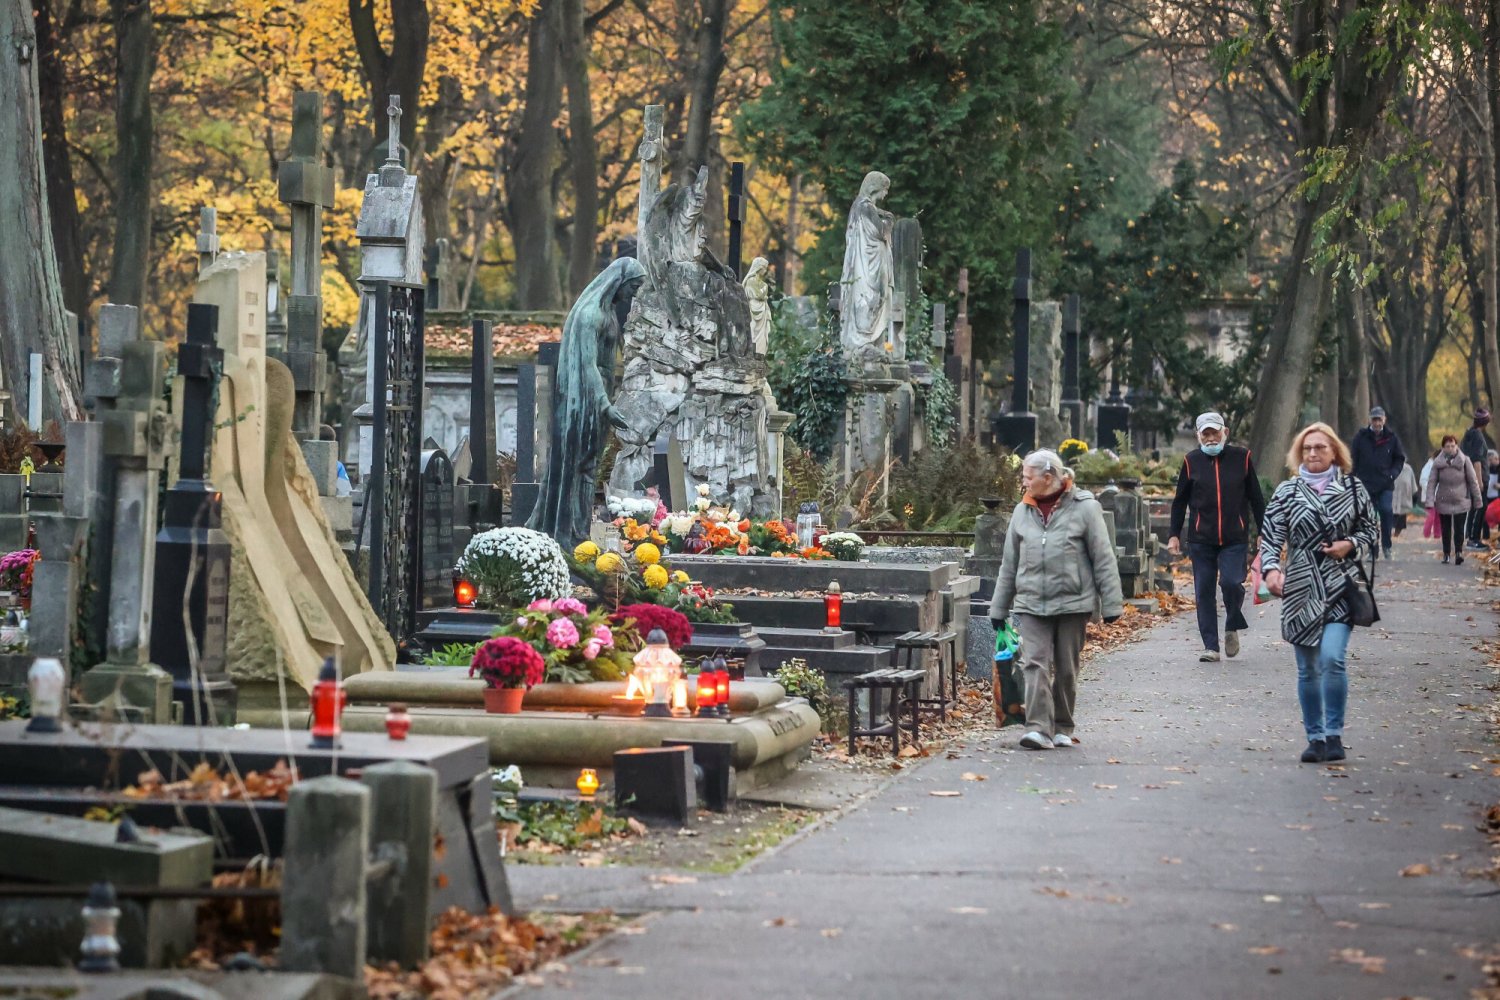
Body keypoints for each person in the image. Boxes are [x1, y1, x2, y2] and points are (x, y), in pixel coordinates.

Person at [1259, 423, 1379, 764]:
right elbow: (1271, 536)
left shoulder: (1354, 489)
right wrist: (1270, 569)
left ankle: (1334, 734)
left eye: (1320, 448)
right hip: (1300, 587)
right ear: (1300, 453)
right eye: (1307, 448)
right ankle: (1314, 738)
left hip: (1341, 585)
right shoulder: (1287, 492)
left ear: (1335, 452)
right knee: (1308, 668)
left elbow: (1372, 530)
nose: (1313, 453)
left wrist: (1350, 544)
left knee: (1332, 658)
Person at [989, 450, 1124, 751]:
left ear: (1047, 478)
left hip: (1073, 603)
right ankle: (1037, 727)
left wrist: (1112, 604)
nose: (1023, 484)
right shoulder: (1022, 512)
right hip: (1031, 601)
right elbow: (1009, 564)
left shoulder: (1085, 509)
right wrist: (999, 607)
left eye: (1027, 477)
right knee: (1034, 663)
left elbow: (1103, 557)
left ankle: (1062, 724)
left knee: (1066, 668)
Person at [1167, 411, 1266, 662]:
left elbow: (1256, 497)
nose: (1211, 438)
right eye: (1206, 434)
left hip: (1234, 536)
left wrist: (1263, 531)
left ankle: (1232, 624)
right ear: (1198, 436)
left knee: (1232, 583)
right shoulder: (1191, 462)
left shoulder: (1242, 458)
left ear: (1225, 433)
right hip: (1201, 538)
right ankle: (1210, 646)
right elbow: (1180, 502)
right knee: (1204, 591)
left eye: (1215, 433)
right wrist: (1174, 535)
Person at [1350, 406, 1405, 561]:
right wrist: (1352, 479)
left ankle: (1387, 546)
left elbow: (1399, 459)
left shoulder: (1392, 438)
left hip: (1385, 483)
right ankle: (1372, 550)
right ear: (1370, 420)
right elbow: (1353, 459)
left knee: (1386, 511)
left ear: (1384, 420)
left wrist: (1393, 474)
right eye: (1374, 419)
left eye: (1379, 419)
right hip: (1366, 484)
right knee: (1369, 518)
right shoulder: (1361, 437)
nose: (1377, 422)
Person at [1424, 436, 1482, 564]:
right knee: (1446, 529)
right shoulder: (1438, 463)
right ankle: (1446, 554)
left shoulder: (1465, 461)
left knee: (1459, 528)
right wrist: (1429, 500)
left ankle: (1458, 552)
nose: (1450, 448)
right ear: (1443, 448)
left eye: (1452, 445)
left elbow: (1473, 481)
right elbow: (1431, 482)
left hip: (1461, 499)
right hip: (1443, 500)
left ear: (1457, 446)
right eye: (1447, 446)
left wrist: (1478, 500)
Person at [1460, 408, 1492, 549]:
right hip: (1477, 478)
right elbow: (1477, 460)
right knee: (1480, 506)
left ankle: (1471, 537)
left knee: (1475, 506)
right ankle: (1473, 539)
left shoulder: (1469, 433)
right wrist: (1479, 481)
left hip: (1469, 476)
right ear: (1485, 423)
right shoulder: (1477, 436)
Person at [1392, 460, 1418, 535]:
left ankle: (1396, 534)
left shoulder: (1408, 469)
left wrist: (1414, 497)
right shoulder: (1386, 466)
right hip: (1391, 497)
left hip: (1403, 498)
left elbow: (1413, 485)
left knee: (1401, 518)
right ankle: (1390, 534)